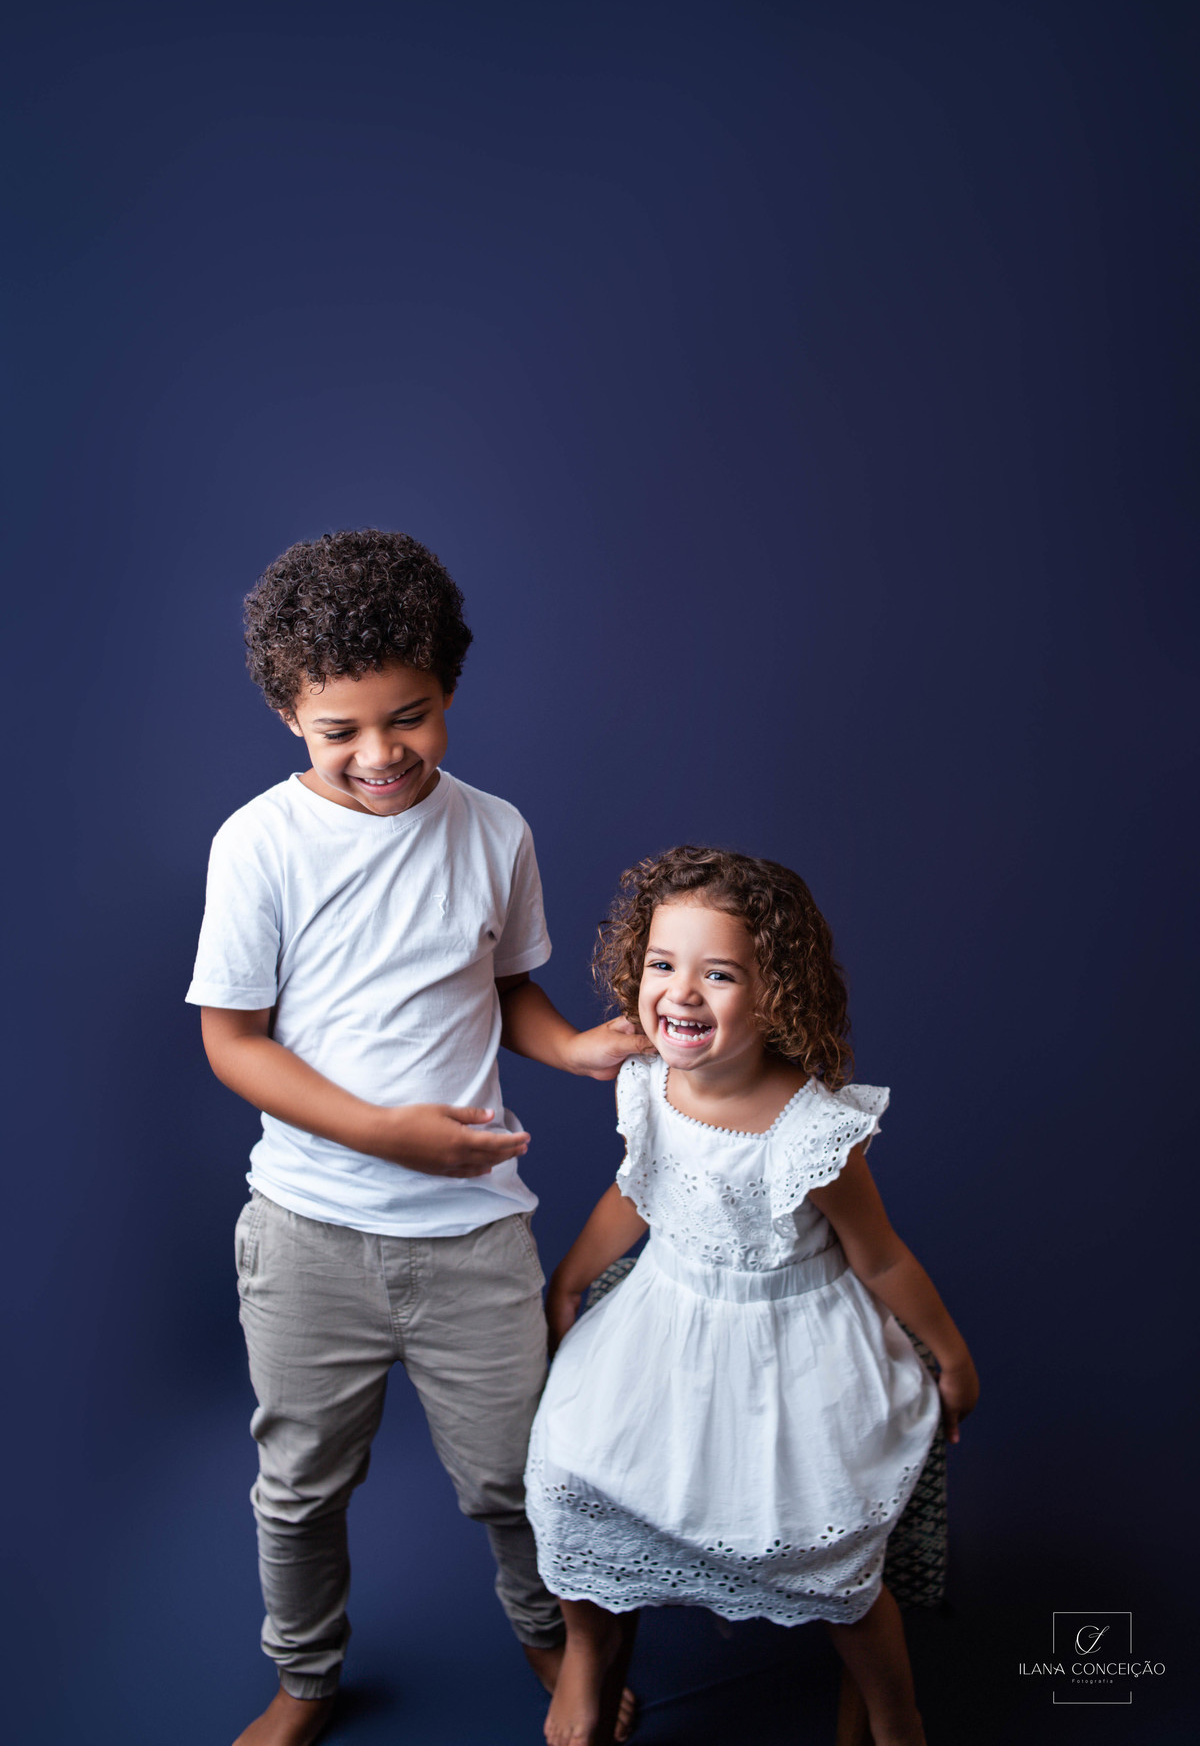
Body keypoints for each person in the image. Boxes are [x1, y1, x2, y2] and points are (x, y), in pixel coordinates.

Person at [187, 530, 646, 1746]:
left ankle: (555, 1650)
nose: (380, 755)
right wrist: (386, 1136)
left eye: (412, 717)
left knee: (516, 1479)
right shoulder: (259, 846)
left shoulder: (496, 832)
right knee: (300, 1487)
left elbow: (505, 992)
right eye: (341, 731)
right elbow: (233, 1044)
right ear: (290, 714)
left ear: (449, 691)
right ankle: (306, 1676)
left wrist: (575, 1048)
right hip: (307, 1235)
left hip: (474, 1235)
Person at [526, 845, 980, 1746]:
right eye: (662, 964)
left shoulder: (812, 1128)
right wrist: (572, 1277)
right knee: (570, 1479)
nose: (680, 994)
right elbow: (636, 1189)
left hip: (789, 1343)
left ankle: (895, 1714)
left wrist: (952, 1356)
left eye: (719, 973)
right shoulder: (648, 1084)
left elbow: (880, 1258)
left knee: (829, 1553)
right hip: (664, 1321)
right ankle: (586, 1654)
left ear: (777, 992)